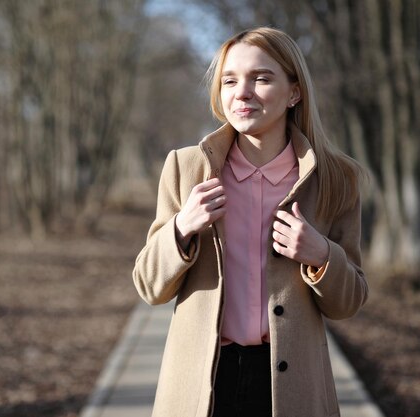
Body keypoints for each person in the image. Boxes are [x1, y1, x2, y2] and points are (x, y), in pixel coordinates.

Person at [133, 27, 368, 417]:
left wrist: (322, 255)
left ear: (294, 92)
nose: (241, 93)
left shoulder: (336, 179)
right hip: (201, 384)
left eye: (261, 78)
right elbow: (149, 287)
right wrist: (181, 228)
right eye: (230, 80)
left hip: (292, 388)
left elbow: (348, 302)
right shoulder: (186, 168)